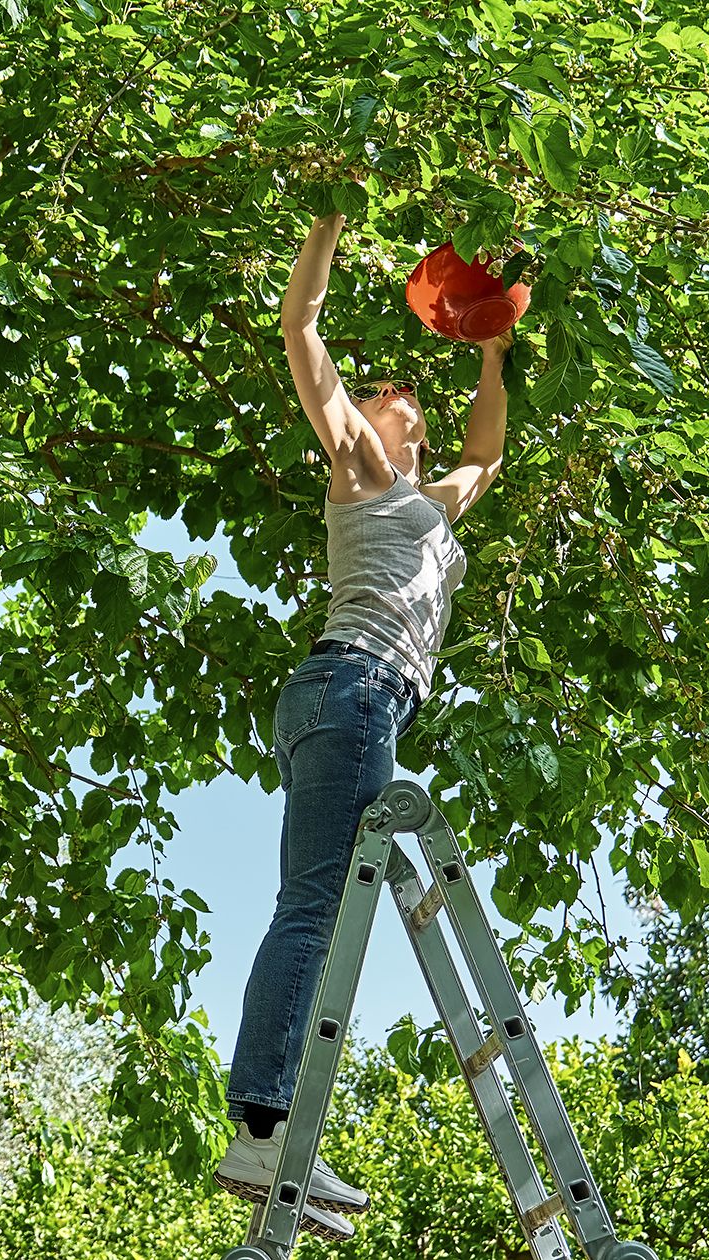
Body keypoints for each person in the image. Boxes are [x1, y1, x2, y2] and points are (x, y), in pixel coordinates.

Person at [212, 210, 515, 1242]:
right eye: (380, 393)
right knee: (315, 912)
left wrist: (493, 355)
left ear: (415, 432)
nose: (389, 396)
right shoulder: (360, 468)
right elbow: (301, 328)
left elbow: (488, 454)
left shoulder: (431, 502)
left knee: (321, 911)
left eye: (401, 397)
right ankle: (263, 1124)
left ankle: (274, 1133)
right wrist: (329, 220)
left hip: (356, 701)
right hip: (352, 691)